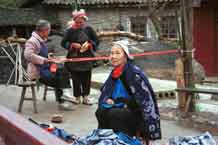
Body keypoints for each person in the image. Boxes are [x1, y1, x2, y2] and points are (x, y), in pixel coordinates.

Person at [95, 40, 161, 144]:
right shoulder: (115, 73)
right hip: (119, 107)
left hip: (136, 112)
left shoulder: (134, 74)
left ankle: (123, 140)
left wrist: (124, 103)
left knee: (115, 114)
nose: (114, 56)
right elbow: (106, 92)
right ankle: (107, 139)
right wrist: (108, 99)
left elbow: (145, 101)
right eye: (112, 53)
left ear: (125, 56)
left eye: (117, 53)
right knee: (100, 112)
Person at [24, 19, 75, 110]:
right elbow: (28, 55)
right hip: (39, 72)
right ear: (44, 30)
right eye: (49, 30)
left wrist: (50, 57)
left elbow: (41, 54)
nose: (49, 32)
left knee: (62, 69)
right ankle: (64, 97)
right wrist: (45, 60)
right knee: (60, 76)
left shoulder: (41, 40)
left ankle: (65, 96)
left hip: (45, 68)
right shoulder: (32, 41)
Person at [61, 9, 99, 105]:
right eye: (76, 22)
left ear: (84, 21)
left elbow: (96, 41)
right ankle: (77, 97)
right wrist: (72, 45)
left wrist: (90, 44)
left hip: (87, 57)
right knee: (76, 79)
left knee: (86, 78)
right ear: (74, 21)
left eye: (80, 22)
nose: (78, 24)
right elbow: (63, 43)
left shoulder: (89, 29)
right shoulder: (70, 31)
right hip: (74, 58)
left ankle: (86, 97)